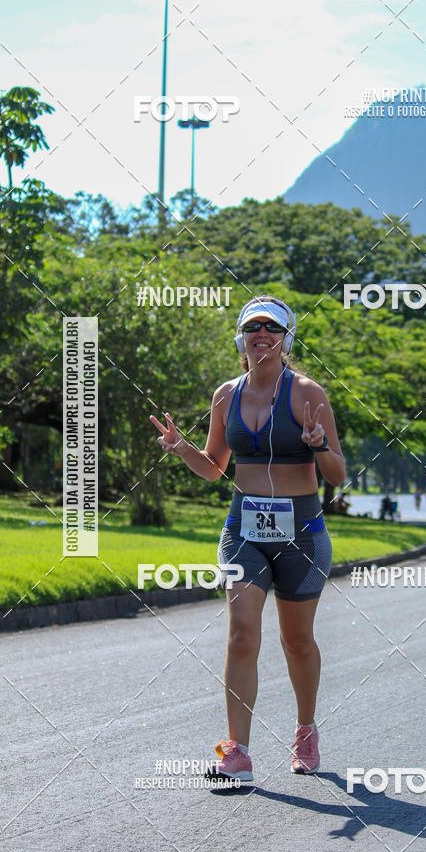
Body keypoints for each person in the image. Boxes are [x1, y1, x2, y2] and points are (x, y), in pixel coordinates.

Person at [150, 296, 345, 781]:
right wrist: (181, 449)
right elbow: (215, 469)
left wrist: (319, 446)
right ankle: (236, 751)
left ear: (285, 337)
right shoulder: (225, 395)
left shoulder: (307, 393)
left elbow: (337, 475)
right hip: (245, 531)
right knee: (241, 634)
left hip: (301, 530)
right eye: (252, 327)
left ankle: (305, 730)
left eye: (271, 328)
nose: (262, 334)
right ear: (241, 337)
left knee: (297, 641)